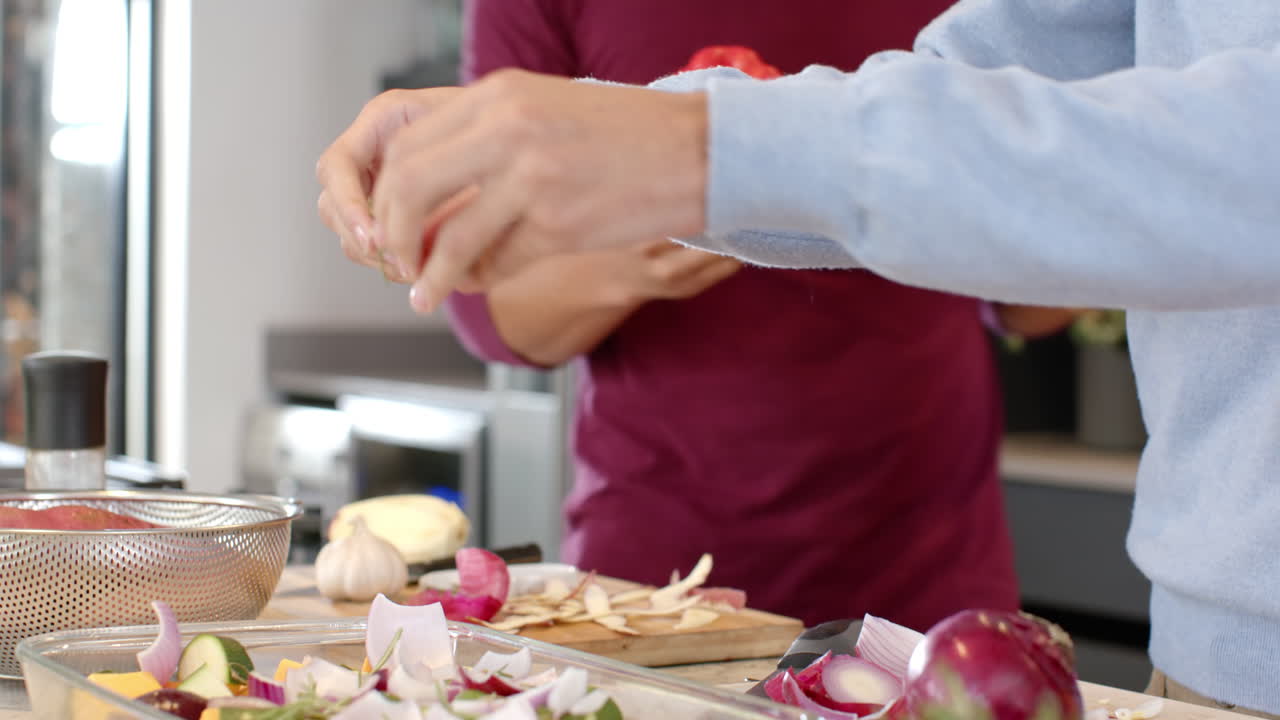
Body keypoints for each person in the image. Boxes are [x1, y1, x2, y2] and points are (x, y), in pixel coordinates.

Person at [316, 0, 1280, 714]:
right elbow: (986, 83)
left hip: (950, 572)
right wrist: (617, 138)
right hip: (1199, 660)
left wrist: (695, 150)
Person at [437, 0, 1073, 630]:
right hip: (656, 594)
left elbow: (1034, 302)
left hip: (932, 584)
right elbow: (488, 304)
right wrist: (645, 241)